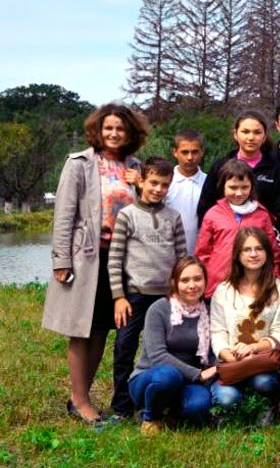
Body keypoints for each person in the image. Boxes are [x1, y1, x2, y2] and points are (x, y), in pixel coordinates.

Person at [42, 103, 148, 424]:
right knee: (80, 329)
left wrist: (140, 185)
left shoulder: (135, 166)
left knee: (102, 328)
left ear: (130, 133)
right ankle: (80, 400)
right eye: (108, 128)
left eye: (120, 128)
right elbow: (64, 215)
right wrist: (61, 260)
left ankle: (81, 397)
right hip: (86, 257)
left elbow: (148, 210)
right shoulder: (80, 163)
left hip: (121, 259)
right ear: (98, 131)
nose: (114, 133)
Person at [108, 156, 188, 418]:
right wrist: (119, 296)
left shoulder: (173, 217)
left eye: (164, 185)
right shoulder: (127, 215)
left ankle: (166, 400)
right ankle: (122, 406)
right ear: (141, 181)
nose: (158, 189)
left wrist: (180, 293)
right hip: (135, 296)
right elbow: (115, 260)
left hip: (166, 298)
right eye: (153, 183)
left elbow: (181, 259)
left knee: (168, 350)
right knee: (124, 348)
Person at [128, 256, 216, 436]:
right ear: (174, 282)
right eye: (185, 280)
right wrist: (198, 374)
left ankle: (171, 415)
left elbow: (213, 353)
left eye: (197, 279)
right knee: (169, 376)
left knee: (199, 406)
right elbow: (158, 355)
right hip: (152, 376)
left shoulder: (209, 311)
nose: (192, 285)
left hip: (188, 381)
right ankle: (150, 416)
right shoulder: (159, 309)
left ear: (205, 281)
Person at [210, 227, 280, 420]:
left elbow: (279, 332)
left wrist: (254, 348)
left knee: (264, 383)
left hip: (264, 363)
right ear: (237, 255)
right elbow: (218, 333)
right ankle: (236, 407)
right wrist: (231, 358)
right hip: (231, 361)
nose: (253, 254)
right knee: (227, 398)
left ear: (267, 253)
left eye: (259, 249)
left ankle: (267, 405)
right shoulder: (223, 291)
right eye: (247, 249)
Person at [197, 110, 280, 237]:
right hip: (224, 237)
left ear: (264, 136)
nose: (251, 137)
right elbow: (205, 206)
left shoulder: (275, 168)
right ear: (235, 134)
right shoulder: (220, 166)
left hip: (261, 239)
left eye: (257, 132)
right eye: (245, 132)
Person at [194, 160, 277, 298]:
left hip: (254, 288)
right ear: (223, 186)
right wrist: (204, 283)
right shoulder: (213, 214)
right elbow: (202, 253)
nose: (239, 193)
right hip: (217, 287)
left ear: (252, 186)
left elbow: (272, 252)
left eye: (244, 187)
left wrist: (272, 281)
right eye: (233, 187)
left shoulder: (261, 215)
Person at [166, 130, 206, 255]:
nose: (190, 157)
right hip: (168, 254)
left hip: (199, 255)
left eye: (194, 152)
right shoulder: (165, 182)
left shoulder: (208, 183)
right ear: (175, 152)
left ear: (202, 152)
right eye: (184, 152)